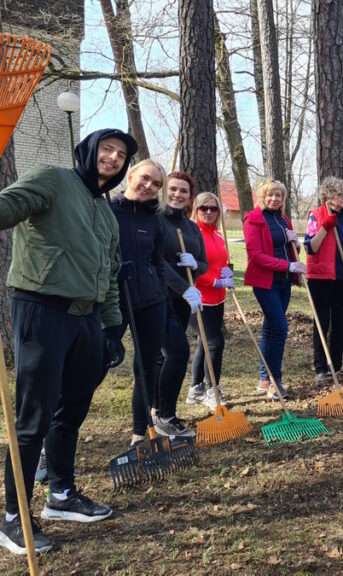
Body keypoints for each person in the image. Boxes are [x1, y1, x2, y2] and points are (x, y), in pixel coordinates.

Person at [0, 128, 134, 554]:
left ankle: (61, 494)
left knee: (70, 410)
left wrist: (112, 328)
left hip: (87, 319)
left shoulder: (106, 212)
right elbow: (9, 207)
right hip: (42, 309)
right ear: (90, 150)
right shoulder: (53, 179)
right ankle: (11, 518)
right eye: (107, 149)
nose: (112, 158)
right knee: (33, 417)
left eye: (120, 155)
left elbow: (109, 275)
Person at [108, 160, 170, 447]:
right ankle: (53, 440)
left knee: (146, 368)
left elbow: (158, 262)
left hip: (150, 303)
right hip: (113, 302)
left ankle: (138, 436)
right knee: (92, 365)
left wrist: (162, 295)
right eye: (145, 178)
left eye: (156, 184)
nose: (149, 186)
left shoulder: (155, 218)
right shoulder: (107, 210)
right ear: (130, 175)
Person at [153, 171, 205, 434]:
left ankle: (155, 407)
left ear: (190, 197)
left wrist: (196, 264)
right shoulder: (156, 221)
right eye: (172, 189)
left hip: (183, 301)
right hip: (159, 298)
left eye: (183, 191)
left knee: (165, 356)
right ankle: (166, 417)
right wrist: (185, 287)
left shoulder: (191, 227)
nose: (177, 194)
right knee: (177, 352)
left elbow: (204, 262)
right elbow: (156, 261)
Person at [243, 180, 304, 398]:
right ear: (262, 197)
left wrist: (295, 243)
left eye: (278, 195)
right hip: (264, 282)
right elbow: (256, 256)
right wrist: (287, 265)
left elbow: (288, 249)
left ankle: (263, 378)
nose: (274, 199)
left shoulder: (284, 219)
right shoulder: (254, 220)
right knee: (280, 327)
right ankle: (275, 381)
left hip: (283, 281)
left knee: (270, 328)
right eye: (270, 195)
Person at [304, 177, 343, 385]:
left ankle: (335, 366)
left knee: (341, 323)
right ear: (328, 197)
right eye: (340, 195)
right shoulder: (316, 215)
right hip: (320, 278)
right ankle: (321, 367)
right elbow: (310, 247)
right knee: (322, 322)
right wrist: (325, 228)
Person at [189, 192, 233, 409]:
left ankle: (194, 389)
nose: (208, 212)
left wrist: (225, 273)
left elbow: (218, 262)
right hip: (199, 298)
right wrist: (215, 281)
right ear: (196, 209)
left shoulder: (217, 235)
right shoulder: (193, 234)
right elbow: (192, 270)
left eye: (213, 209)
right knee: (215, 343)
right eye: (203, 208)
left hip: (217, 299)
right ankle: (211, 390)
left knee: (204, 344)